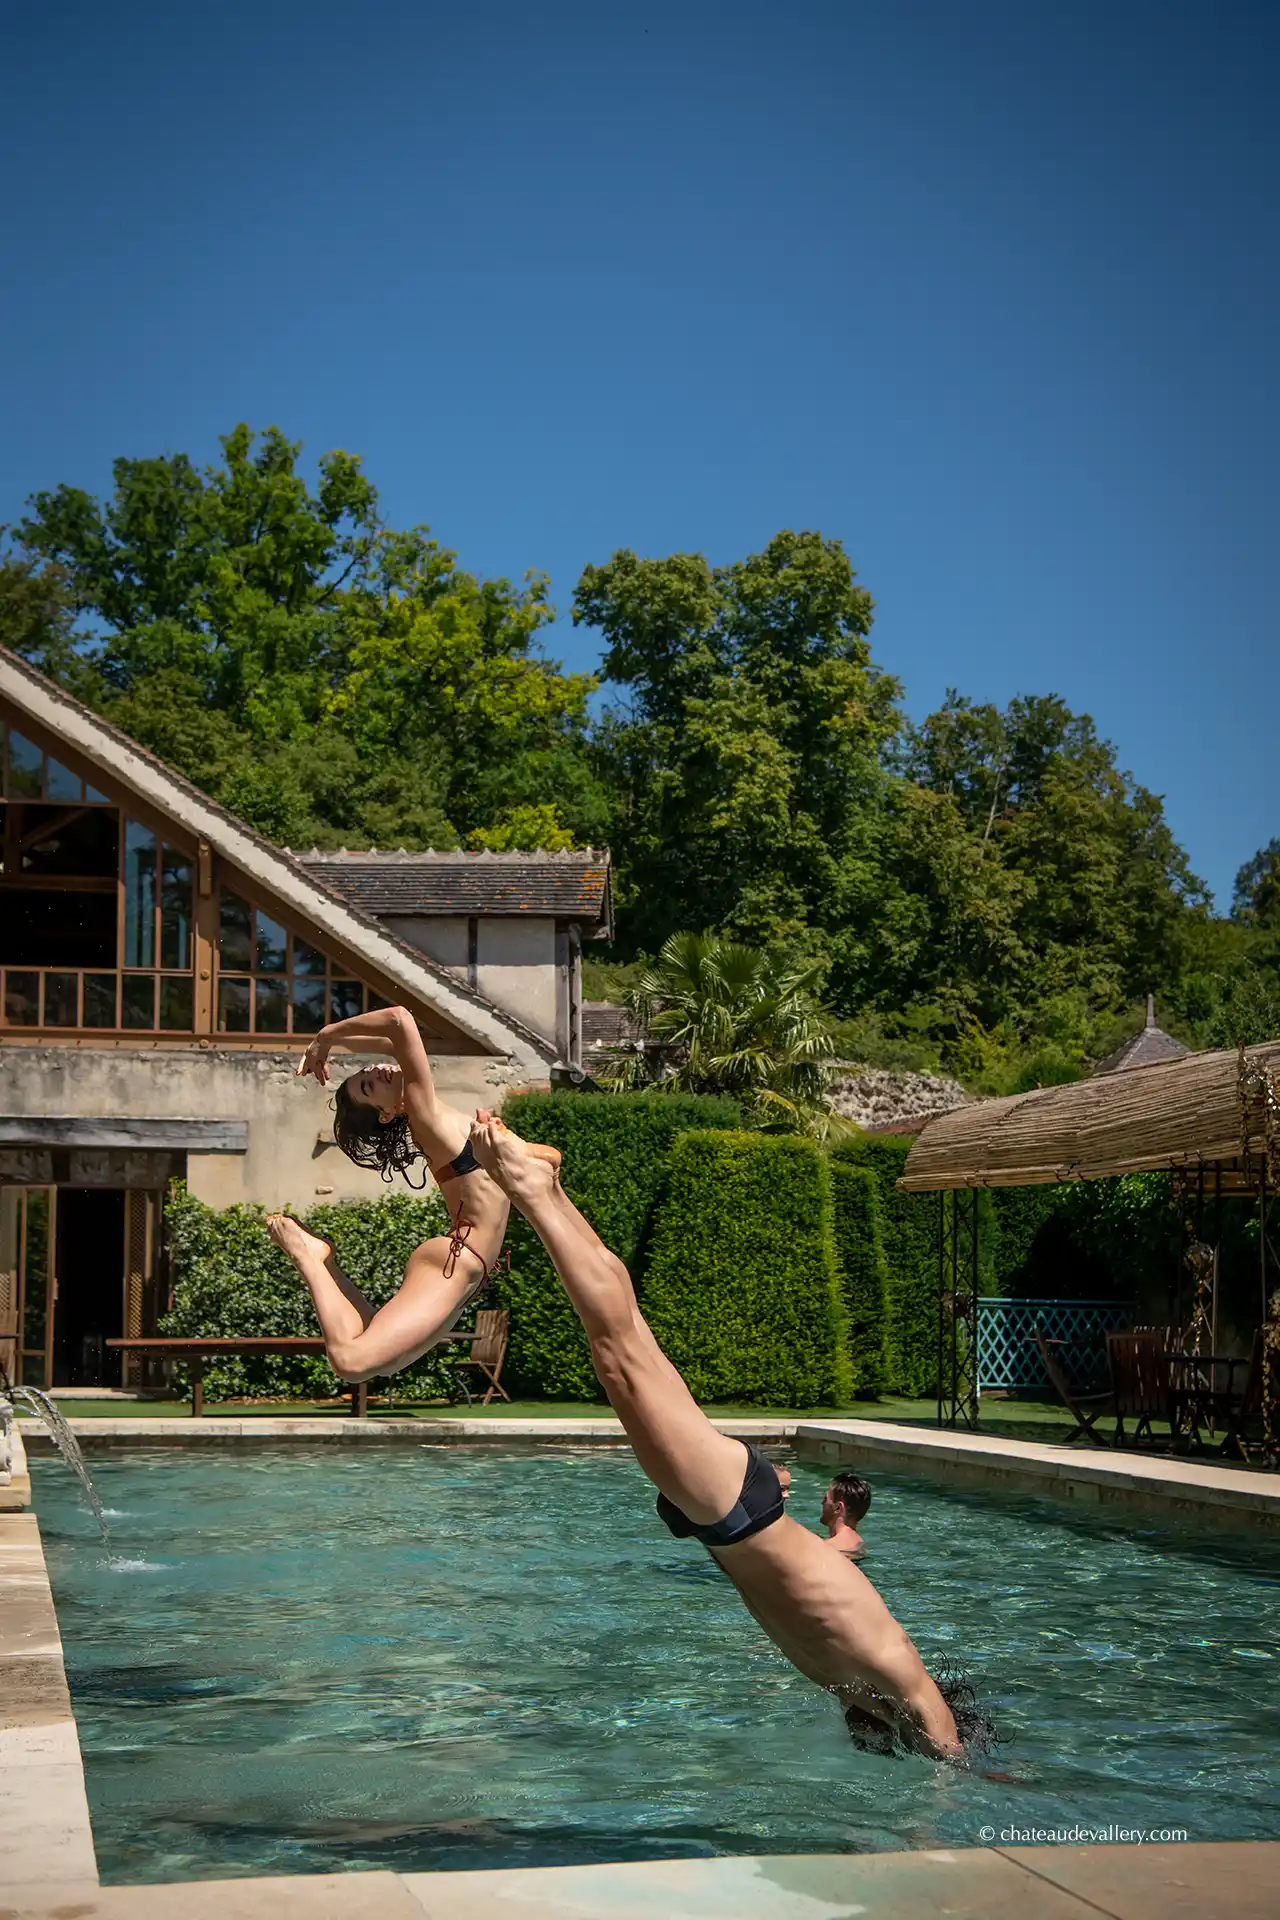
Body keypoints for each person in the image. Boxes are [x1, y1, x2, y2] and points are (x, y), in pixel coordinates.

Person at [467, 1109, 992, 1763]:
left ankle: (547, 1187)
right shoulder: (897, 1672)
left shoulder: (851, 1686)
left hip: (730, 1520)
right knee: (618, 1351)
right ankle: (532, 1188)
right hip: (737, 1512)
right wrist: (959, 1786)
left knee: (624, 1346)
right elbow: (933, 1718)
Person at [264, 1005, 557, 1384]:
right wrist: (326, 1036)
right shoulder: (423, 1112)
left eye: (367, 1071)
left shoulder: (452, 1117)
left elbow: (549, 1160)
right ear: (386, 1113)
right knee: (351, 1364)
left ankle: (327, 1263)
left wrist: (517, 1148)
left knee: (374, 1348)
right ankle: (308, 1256)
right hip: (458, 1260)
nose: (377, 1071)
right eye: (369, 1086)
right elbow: (400, 1021)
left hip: (468, 1267)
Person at [822, 1473, 871, 1561]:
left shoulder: (827, 1548)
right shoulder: (860, 1545)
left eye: (826, 1499)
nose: (822, 1502)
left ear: (838, 1507)